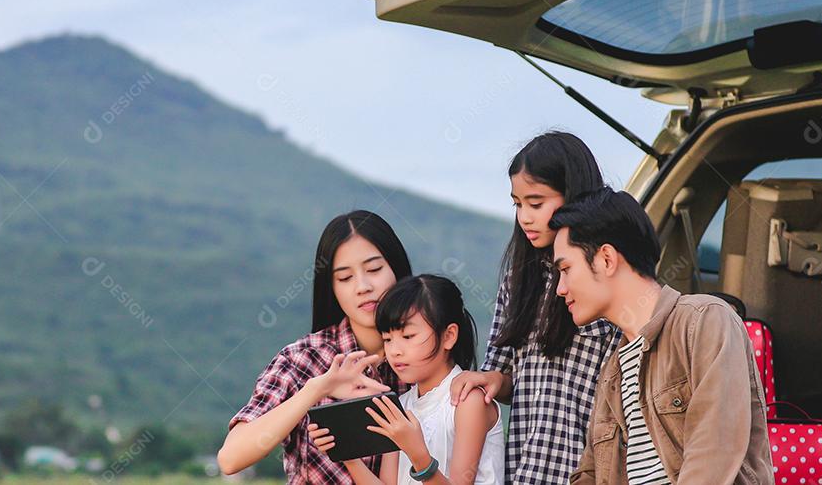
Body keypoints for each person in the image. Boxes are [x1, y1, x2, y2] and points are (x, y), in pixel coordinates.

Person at [550, 187, 773, 484]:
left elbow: (714, 451)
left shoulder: (704, 320)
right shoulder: (612, 374)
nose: (560, 288)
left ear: (606, 259)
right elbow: (590, 476)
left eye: (565, 269)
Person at [449, 131, 620, 483]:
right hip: (525, 468)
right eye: (517, 204)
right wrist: (495, 380)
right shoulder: (518, 280)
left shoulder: (606, 277)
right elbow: (505, 373)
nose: (525, 216)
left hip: (585, 470)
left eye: (536, 203)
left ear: (574, 197)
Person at [219, 210, 413, 483]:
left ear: (397, 270)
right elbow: (231, 458)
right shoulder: (301, 359)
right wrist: (316, 389)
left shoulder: (424, 357)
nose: (363, 286)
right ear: (331, 288)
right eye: (345, 278)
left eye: (374, 269)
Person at [310, 274, 505, 484]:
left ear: (448, 336)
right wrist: (347, 455)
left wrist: (418, 455)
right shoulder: (400, 405)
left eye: (408, 336)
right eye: (387, 339)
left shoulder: (468, 400)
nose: (394, 351)